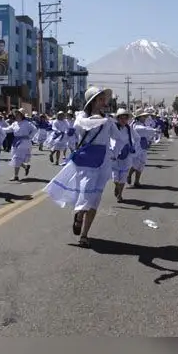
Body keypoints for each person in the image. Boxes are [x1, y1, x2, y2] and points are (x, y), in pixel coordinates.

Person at [44, 86, 119, 245]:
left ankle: (84, 235)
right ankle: (79, 215)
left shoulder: (108, 120)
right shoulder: (81, 117)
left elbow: (117, 137)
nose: (103, 102)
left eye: (103, 99)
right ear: (92, 101)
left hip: (102, 163)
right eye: (99, 99)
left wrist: (118, 149)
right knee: (86, 195)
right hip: (85, 163)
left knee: (95, 200)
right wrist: (104, 120)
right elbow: (84, 125)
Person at [110, 108, 139, 202]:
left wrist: (133, 146)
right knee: (115, 178)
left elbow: (137, 138)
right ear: (118, 119)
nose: (123, 120)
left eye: (125, 118)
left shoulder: (129, 128)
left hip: (126, 155)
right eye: (121, 118)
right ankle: (117, 186)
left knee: (123, 177)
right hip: (115, 156)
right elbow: (107, 139)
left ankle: (120, 195)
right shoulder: (113, 128)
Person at [128, 111, 159, 188]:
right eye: (143, 116)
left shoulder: (142, 124)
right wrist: (154, 130)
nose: (145, 118)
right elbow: (144, 130)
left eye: (145, 116)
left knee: (141, 164)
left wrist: (149, 141)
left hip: (143, 146)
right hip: (137, 147)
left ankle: (137, 181)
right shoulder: (136, 125)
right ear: (139, 117)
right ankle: (128, 175)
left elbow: (146, 132)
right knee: (136, 164)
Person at [3, 109, 35, 181]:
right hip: (16, 142)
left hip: (24, 143)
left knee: (16, 158)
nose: (16, 115)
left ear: (22, 115)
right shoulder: (15, 123)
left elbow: (34, 129)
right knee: (15, 158)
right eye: (16, 114)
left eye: (18, 114)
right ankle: (25, 167)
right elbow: (8, 129)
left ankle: (16, 176)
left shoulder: (27, 123)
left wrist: (29, 137)